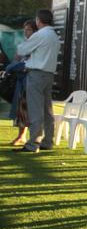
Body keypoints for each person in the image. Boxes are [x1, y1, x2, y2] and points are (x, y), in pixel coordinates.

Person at [14, 9, 61, 153]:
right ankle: (47, 141)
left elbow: (22, 50)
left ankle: (32, 144)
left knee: (35, 110)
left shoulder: (40, 34)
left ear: (38, 20)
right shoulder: (54, 35)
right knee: (47, 110)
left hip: (36, 74)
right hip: (48, 75)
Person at [6, 19, 38, 145]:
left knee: (28, 109)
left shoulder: (37, 43)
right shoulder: (25, 42)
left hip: (30, 80)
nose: (26, 32)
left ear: (35, 30)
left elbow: (26, 62)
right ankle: (21, 136)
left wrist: (13, 66)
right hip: (21, 80)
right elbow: (17, 58)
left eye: (29, 29)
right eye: (25, 29)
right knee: (20, 109)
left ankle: (32, 138)